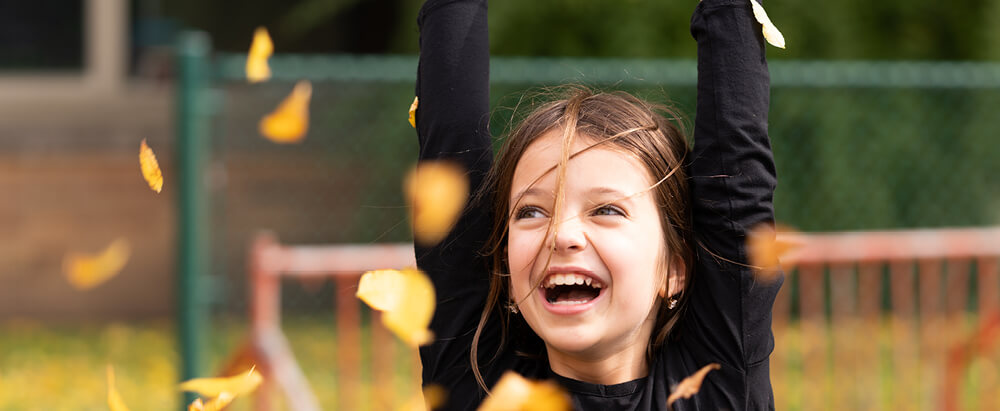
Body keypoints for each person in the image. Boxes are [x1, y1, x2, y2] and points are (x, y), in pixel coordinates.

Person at [413, 0, 782, 409]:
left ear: (675, 269)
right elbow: (450, 147)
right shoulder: (475, 389)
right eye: (531, 212)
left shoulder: (718, 389)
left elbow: (738, 184)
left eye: (607, 210)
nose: (562, 234)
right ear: (503, 268)